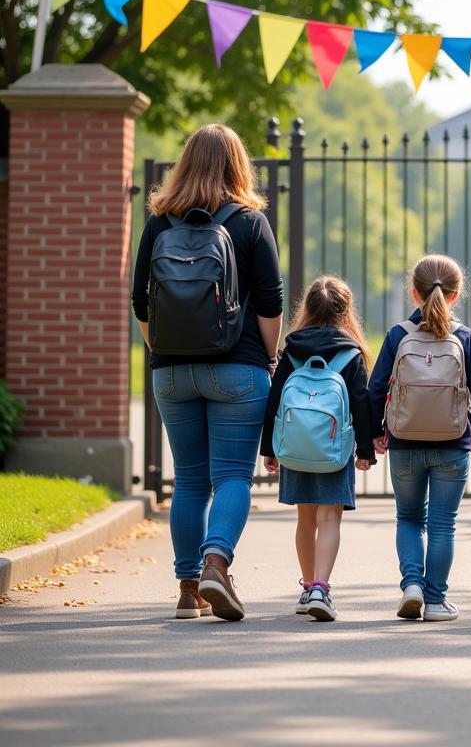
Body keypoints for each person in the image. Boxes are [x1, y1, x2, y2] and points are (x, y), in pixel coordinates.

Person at [132, 124, 283, 622]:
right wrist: (267, 357)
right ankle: (216, 561)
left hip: (170, 373)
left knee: (190, 481)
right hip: (237, 368)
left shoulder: (160, 221)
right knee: (233, 475)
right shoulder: (249, 221)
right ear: (239, 165)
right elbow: (270, 301)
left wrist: (162, 352)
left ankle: (187, 588)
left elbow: (139, 300)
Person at [368, 254, 471, 622]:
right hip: (452, 443)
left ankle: (412, 584)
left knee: (409, 518)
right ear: (456, 295)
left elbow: (376, 389)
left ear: (414, 293)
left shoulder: (397, 335)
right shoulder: (464, 337)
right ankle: (436, 600)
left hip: (405, 442)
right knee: (443, 523)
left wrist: (374, 433)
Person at [261, 277, 376, 622]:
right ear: (346, 312)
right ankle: (321, 589)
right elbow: (361, 403)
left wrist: (270, 448)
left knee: (305, 518)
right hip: (333, 448)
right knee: (329, 518)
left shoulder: (292, 349)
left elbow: (274, 402)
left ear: (307, 309)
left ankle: (307, 585)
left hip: (295, 447)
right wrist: (366, 450)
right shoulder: (351, 352)